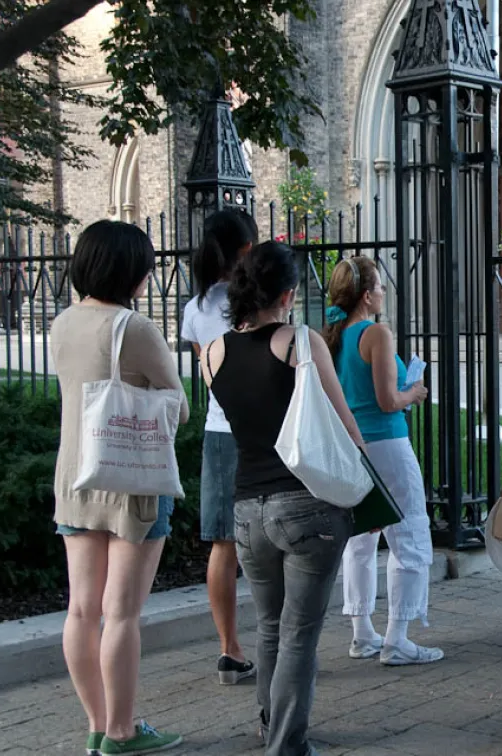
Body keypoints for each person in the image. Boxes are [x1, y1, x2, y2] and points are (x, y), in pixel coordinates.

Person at [201, 242, 365, 756]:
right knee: (299, 633)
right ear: (289, 293)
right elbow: (344, 422)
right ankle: (286, 745)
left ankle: (270, 725)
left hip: (247, 509)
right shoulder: (300, 342)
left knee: (269, 625)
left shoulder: (212, 353)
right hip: (307, 503)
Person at [52, 220, 188, 755]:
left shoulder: (62, 323)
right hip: (130, 481)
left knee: (81, 609)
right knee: (122, 612)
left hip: (76, 478)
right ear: (129, 269)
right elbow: (174, 404)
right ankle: (123, 732)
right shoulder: (134, 328)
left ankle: (97, 723)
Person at [324, 256, 442, 666]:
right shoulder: (377, 333)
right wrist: (415, 393)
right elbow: (388, 400)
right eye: (379, 286)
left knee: (360, 539)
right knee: (408, 533)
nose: (383, 292)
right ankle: (398, 637)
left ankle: (362, 633)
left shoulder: (332, 336)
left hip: (352, 446)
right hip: (387, 443)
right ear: (367, 294)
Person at [180, 208, 258, 686]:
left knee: (223, 544)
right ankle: (280, 640)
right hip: (263, 431)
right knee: (276, 540)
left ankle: (230, 648)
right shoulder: (249, 299)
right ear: (246, 249)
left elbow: (209, 368)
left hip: (218, 430)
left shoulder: (196, 308)